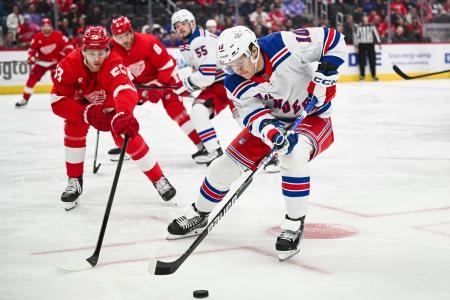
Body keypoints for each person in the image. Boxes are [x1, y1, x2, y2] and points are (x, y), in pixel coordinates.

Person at [166, 25, 346, 261]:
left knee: (293, 156)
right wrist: (272, 133)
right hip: (273, 123)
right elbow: (252, 116)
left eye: (239, 61)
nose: (236, 69)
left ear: (252, 50)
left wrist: (330, 66)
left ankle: (293, 224)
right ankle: (199, 213)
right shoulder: (234, 81)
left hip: (312, 117)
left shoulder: (284, 43)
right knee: (222, 166)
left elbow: (333, 38)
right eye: (230, 65)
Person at [50, 26, 176, 210]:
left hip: (110, 103)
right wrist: (85, 113)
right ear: (82, 50)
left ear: (107, 50)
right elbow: (57, 101)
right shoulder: (68, 65)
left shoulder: (114, 62)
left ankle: (159, 179)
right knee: (73, 125)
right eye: (91, 53)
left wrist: (123, 113)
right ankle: (74, 180)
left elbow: (125, 89)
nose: (97, 58)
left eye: (101, 52)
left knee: (125, 132)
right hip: (83, 103)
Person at [109, 16, 204, 161]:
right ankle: (124, 144)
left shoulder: (148, 41)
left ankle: (203, 145)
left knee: (175, 109)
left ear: (131, 31)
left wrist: (158, 86)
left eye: (126, 35)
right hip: (142, 84)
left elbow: (167, 66)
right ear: (114, 37)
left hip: (166, 79)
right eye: (119, 37)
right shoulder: (111, 47)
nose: (125, 40)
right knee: (121, 107)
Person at [170, 9, 236, 165]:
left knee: (246, 119)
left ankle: (271, 153)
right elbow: (205, 77)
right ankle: (214, 151)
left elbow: (206, 76)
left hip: (235, 82)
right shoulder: (190, 43)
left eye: (183, 24)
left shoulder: (199, 40)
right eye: (177, 26)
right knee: (199, 111)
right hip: (219, 85)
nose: (180, 28)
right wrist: (188, 86)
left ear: (192, 23)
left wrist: (185, 84)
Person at [15, 18, 74, 107]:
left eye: (48, 26)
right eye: (44, 26)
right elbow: (32, 49)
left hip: (55, 63)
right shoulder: (37, 36)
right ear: (41, 28)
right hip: (41, 63)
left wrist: (63, 56)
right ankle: (25, 99)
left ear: (51, 27)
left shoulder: (58, 35)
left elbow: (69, 46)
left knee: (58, 82)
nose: (46, 28)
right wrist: (32, 56)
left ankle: (64, 100)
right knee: (32, 79)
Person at [354, 14, 381, 81]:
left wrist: (379, 42)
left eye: (366, 18)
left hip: (370, 44)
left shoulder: (372, 26)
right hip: (362, 44)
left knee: (372, 60)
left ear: (368, 19)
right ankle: (362, 75)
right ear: (363, 19)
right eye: (364, 18)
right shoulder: (359, 26)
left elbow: (376, 34)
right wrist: (356, 46)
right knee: (362, 61)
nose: (365, 19)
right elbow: (357, 36)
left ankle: (374, 75)